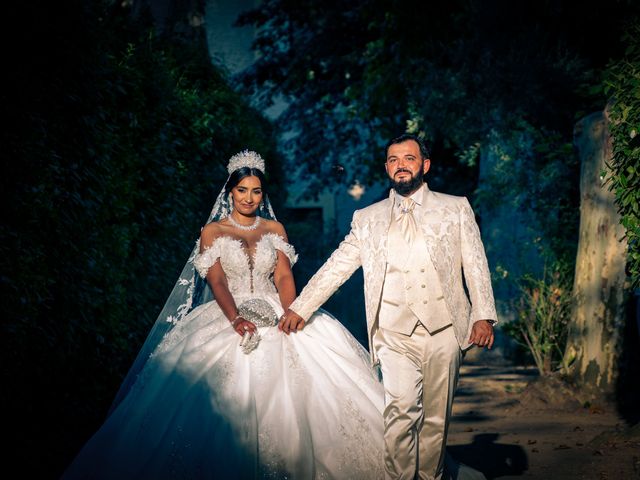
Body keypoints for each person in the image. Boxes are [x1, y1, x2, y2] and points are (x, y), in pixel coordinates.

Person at [61, 150, 386, 479]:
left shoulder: (274, 228)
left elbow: (284, 276)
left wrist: (292, 311)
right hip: (228, 308)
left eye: (256, 190)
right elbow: (216, 279)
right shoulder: (213, 232)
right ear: (230, 191)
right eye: (242, 190)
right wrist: (234, 318)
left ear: (263, 193)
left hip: (275, 304)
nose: (249, 197)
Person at [280, 133, 498, 480]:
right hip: (393, 330)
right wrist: (301, 307)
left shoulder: (455, 207)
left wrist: (482, 314)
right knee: (401, 411)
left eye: (408, 159)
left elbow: (475, 263)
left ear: (424, 165)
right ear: (386, 168)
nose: (401, 165)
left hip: (444, 327)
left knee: (436, 418)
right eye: (393, 160)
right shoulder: (368, 217)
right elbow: (338, 265)